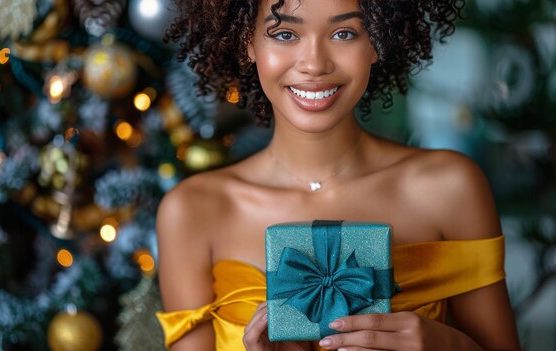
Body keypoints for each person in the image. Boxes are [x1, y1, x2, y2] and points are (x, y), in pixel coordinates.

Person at [155, 0, 522, 350]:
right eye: (284, 34)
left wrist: (446, 346)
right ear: (247, 41)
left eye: (344, 33)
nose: (314, 64)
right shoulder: (192, 212)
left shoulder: (449, 188)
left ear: (377, 41)